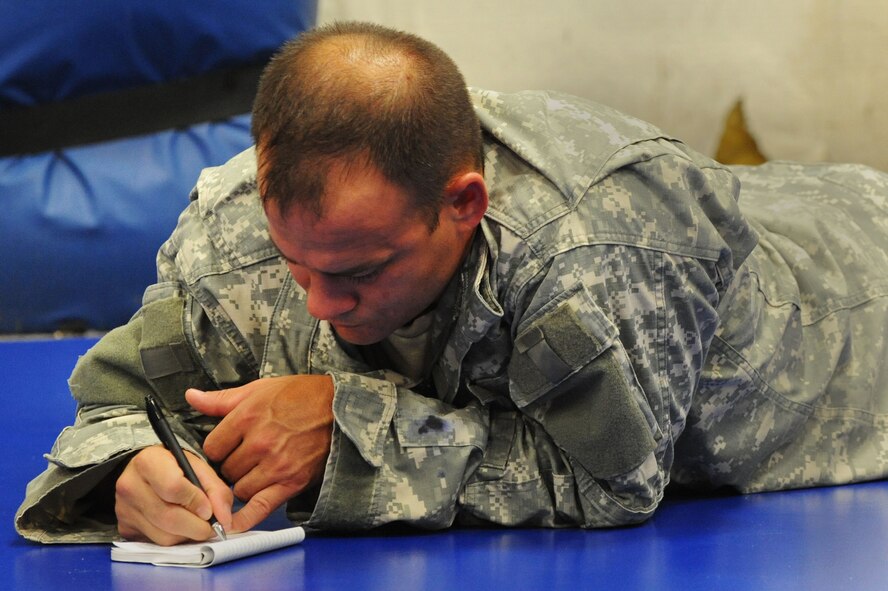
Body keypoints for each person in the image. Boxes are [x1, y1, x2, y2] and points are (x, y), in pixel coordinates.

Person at [16, 21, 888, 545]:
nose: (319, 302)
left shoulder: (592, 246)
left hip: (852, 301)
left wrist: (345, 433)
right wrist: (130, 467)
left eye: (360, 271)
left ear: (462, 204)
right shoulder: (237, 229)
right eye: (297, 263)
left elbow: (606, 480)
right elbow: (121, 400)